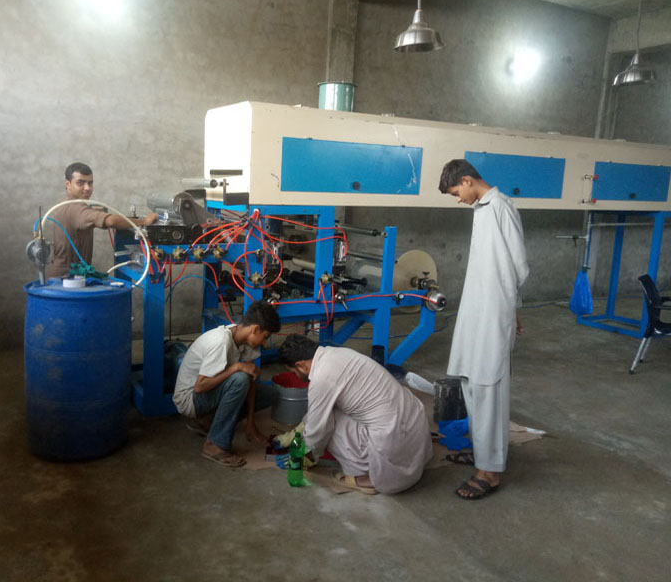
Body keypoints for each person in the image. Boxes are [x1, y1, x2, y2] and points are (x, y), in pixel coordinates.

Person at [438, 159, 529, 500]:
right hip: (476, 310)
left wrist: (509, 308)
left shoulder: (501, 207)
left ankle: (490, 472)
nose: (457, 199)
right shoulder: (482, 209)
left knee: (488, 386)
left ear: (467, 180)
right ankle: (482, 452)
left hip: (492, 313)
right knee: (470, 381)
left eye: (456, 192)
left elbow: (518, 265)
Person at [278, 335, 433, 495]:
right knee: (327, 411)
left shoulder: (320, 379)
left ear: (301, 365)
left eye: (293, 372)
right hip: (414, 429)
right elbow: (317, 411)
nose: (296, 375)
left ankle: (362, 478)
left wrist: (304, 456)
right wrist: (298, 430)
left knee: (328, 422)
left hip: (393, 443)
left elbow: (317, 430)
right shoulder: (338, 353)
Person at [173, 300, 281, 468]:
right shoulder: (221, 341)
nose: (264, 343)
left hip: (208, 392)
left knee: (269, 393)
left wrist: (251, 424)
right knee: (239, 379)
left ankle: (209, 421)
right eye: (265, 337)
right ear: (255, 329)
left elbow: (251, 379)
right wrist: (236, 367)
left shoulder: (244, 339)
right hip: (190, 399)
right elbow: (200, 387)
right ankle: (214, 445)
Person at [46, 162, 158, 279]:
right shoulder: (76, 209)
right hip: (65, 279)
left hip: (67, 275)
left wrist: (92, 212)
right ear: (68, 184)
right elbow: (111, 221)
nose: (87, 188)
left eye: (90, 183)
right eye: (80, 183)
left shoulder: (65, 204)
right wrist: (144, 221)